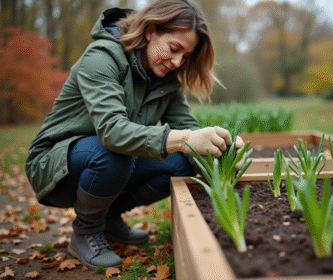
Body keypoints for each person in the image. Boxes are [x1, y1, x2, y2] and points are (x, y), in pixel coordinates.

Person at [25, 0, 244, 270]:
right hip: (55, 164)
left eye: (185, 56)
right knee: (115, 152)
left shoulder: (167, 82)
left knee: (181, 161)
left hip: (110, 158)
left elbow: (189, 129)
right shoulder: (102, 57)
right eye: (174, 48)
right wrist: (185, 138)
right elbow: (113, 132)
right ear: (151, 30)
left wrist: (226, 148)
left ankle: (108, 217)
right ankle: (85, 232)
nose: (177, 62)